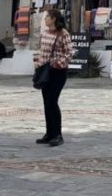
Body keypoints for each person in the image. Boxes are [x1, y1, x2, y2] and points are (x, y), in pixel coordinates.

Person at [34, 9, 73, 147]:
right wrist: (37, 64)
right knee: (46, 102)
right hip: (44, 71)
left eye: (48, 17)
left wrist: (59, 63)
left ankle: (57, 134)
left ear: (54, 18)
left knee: (52, 101)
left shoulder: (63, 34)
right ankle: (49, 132)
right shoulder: (44, 33)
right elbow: (39, 50)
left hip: (57, 72)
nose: (45, 19)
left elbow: (69, 52)